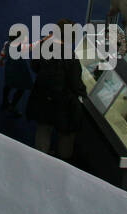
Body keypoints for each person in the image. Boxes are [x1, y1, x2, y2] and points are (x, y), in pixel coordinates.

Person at [27, 19, 84, 160]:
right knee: (66, 134)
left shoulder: (43, 47)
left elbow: (34, 66)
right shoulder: (71, 58)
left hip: (42, 96)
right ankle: (63, 162)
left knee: (43, 129)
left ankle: (40, 158)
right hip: (62, 103)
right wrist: (83, 92)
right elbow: (76, 84)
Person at [0, 26, 35, 118]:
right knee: (22, 88)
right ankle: (13, 105)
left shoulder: (7, 43)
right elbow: (34, 46)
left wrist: (1, 61)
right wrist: (46, 38)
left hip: (10, 69)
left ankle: (4, 102)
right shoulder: (22, 47)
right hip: (20, 70)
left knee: (8, 85)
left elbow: (2, 54)